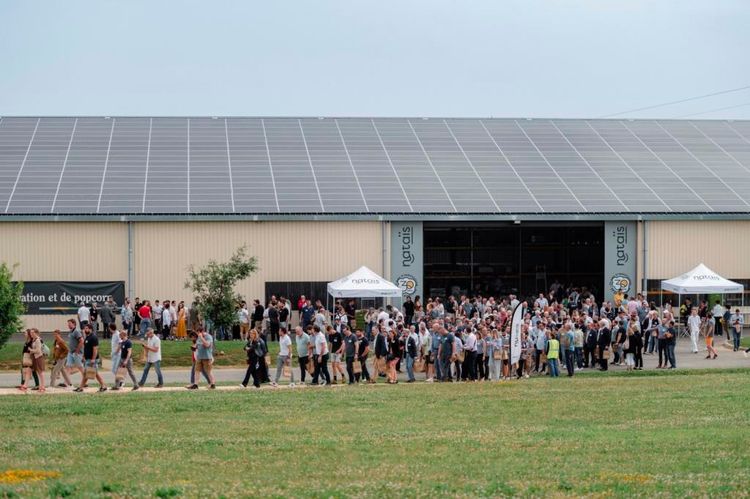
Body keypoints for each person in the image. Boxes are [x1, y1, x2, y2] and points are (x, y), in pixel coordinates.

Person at [76, 324, 107, 392]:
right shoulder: (87, 337)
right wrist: (84, 356)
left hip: (92, 359)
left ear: (90, 329)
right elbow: (86, 348)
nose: (85, 330)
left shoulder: (93, 337)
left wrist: (93, 359)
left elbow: (95, 349)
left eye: (86, 328)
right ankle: (103, 386)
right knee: (91, 373)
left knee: (89, 373)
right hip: (88, 359)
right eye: (85, 328)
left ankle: (81, 387)